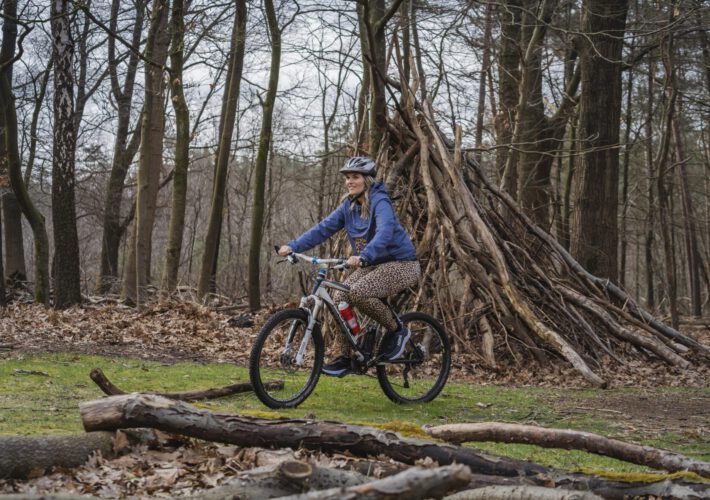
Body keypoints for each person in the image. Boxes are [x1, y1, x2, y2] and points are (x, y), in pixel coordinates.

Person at [278, 156, 421, 377]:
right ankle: (347, 357)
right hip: (372, 264)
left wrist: (364, 255)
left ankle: (398, 331)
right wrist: (293, 246)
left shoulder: (380, 202)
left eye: (355, 177)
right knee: (339, 298)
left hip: (402, 264)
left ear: (367, 180)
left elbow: (385, 232)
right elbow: (323, 229)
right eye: (347, 178)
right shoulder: (349, 206)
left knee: (359, 292)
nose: (349, 182)